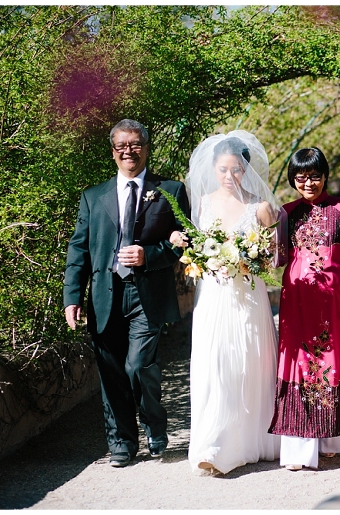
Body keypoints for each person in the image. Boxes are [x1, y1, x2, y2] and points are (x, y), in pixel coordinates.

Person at [64, 119, 190, 467]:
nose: (128, 151)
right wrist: (72, 297)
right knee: (111, 372)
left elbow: (186, 242)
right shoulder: (93, 197)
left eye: (135, 144)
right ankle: (121, 442)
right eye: (121, 146)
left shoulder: (170, 190)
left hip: (147, 295)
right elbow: (79, 250)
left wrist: (150, 254)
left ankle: (154, 425)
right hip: (104, 295)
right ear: (113, 152)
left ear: (146, 148)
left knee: (138, 365)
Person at [172, 131, 284, 475]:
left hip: (248, 297)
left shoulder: (260, 208)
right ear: (213, 168)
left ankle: (252, 439)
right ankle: (214, 444)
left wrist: (249, 257)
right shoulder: (202, 204)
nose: (229, 176)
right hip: (213, 296)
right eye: (223, 169)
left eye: (236, 169)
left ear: (246, 169)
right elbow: (193, 246)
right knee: (215, 364)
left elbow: (275, 257)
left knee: (248, 364)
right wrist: (186, 245)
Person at [268, 147, 340, 471]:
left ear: (325, 176)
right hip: (297, 303)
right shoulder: (286, 213)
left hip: (335, 304)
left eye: (314, 176)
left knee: (333, 366)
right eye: (301, 177)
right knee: (298, 366)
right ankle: (299, 451)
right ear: (293, 180)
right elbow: (278, 258)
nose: (308, 183)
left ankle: (329, 440)